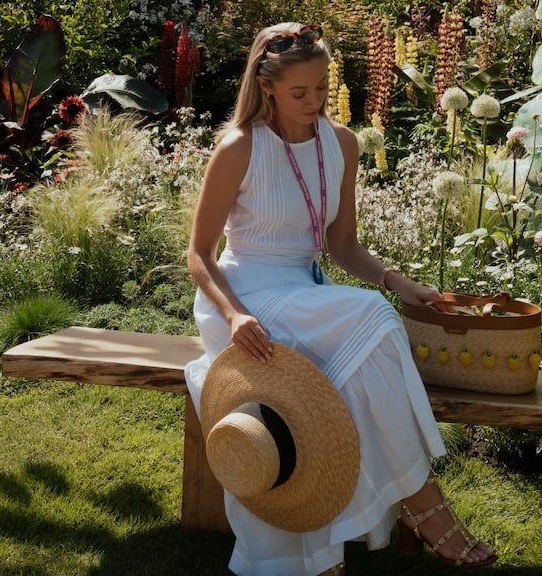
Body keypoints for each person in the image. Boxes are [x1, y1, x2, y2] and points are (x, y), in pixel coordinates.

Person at [183, 22, 497, 576]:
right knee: (372, 320)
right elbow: (199, 256)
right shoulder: (239, 147)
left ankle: (339, 537)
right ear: (268, 86)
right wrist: (234, 315)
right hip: (245, 297)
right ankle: (422, 504)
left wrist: (398, 282)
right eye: (300, 93)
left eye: (323, 89)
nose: (314, 102)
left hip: (306, 294)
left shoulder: (342, 144)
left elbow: (343, 246)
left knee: (361, 356)